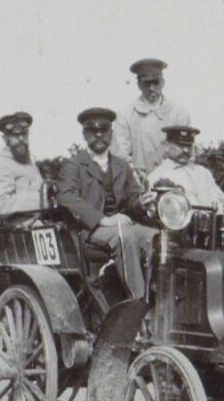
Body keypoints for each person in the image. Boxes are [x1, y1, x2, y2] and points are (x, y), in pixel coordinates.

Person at [57, 108, 156, 299]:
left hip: (121, 225)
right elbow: (67, 197)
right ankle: (138, 301)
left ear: (111, 133)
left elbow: (133, 198)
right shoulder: (74, 165)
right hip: (88, 231)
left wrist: (142, 203)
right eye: (93, 131)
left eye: (104, 130)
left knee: (156, 238)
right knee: (124, 236)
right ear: (85, 134)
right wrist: (102, 220)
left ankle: (158, 298)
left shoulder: (122, 165)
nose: (99, 135)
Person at [112, 58, 191, 179]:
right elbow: (120, 155)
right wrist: (136, 178)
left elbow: (185, 152)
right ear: (138, 84)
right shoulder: (125, 114)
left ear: (163, 82)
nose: (152, 88)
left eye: (155, 82)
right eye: (146, 83)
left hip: (174, 179)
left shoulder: (178, 113)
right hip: (137, 181)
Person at [147, 126, 224, 212]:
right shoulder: (156, 177)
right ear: (166, 146)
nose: (185, 150)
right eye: (180, 145)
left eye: (188, 146)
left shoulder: (203, 173)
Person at [0, 112, 45, 215]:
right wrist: (43, 199)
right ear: (5, 139)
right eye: (15, 136)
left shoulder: (30, 164)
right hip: (18, 230)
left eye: (24, 134)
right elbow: (0, 204)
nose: (21, 139)